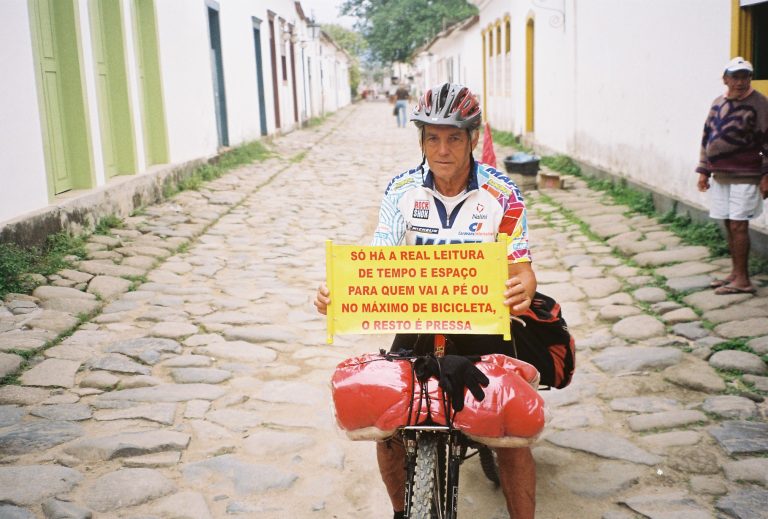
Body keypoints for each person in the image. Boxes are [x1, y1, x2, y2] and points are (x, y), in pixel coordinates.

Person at [315, 82, 544, 518]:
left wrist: (524, 289)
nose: (443, 149)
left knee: (510, 434)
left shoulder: (503, 194)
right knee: (389, 429)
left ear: (473, 139)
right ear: (420, 139)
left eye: (454, 137)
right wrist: (338, 292)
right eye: (432, 137)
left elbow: (522, 267)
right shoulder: (400, 190)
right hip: (417, 319)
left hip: (483, 324)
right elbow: (377, 258)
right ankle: (406, 511)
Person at [696, 57, 768, 295]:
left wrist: (766, 174)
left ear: (750, 78)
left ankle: (743, 280)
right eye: (735, 77)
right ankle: (735, 273)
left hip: (746, 174)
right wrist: (704, 170)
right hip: (721, 175)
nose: (740, 82)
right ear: (725, 79)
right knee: (729, 223)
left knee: (739, 225)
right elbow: (707, 137)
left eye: (745, 76)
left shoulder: (759, 103)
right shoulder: (718, 102)